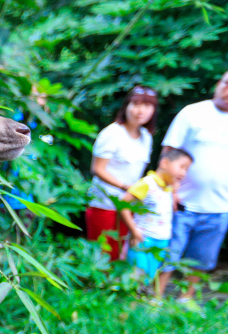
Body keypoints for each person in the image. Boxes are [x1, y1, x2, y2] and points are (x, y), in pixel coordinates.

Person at [159, 71, 228, 301]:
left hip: (220, 207)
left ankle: (185, 298)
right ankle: (155, 298)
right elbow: (168, 152)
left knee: (202, 258)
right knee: (169, 253)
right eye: (226, 84)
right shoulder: (193, 113)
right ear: (218, 84)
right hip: (183, 202)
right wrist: (169, 191)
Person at [86, 86, 158, 261]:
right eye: (136, 104)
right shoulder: (112, 133)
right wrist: (125, 187)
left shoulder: (146, 136)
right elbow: (97, 168)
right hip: (104, 204)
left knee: (121, 254)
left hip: (128, 206)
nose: (140, 111)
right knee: (102, 255)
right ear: (126, 106)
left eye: (147, 106)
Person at [118, 149, 192, 296]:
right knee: (136, 278)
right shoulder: (146, 183)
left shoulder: (169, 187)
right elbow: (123, 206)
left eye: (187, 170)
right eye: (181, 167)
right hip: (142, 239)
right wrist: (133, 230)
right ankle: (125, 312)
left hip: (162, 241)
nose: (184, 173)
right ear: (165, 163)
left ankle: (135, 312)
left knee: (148, 278)